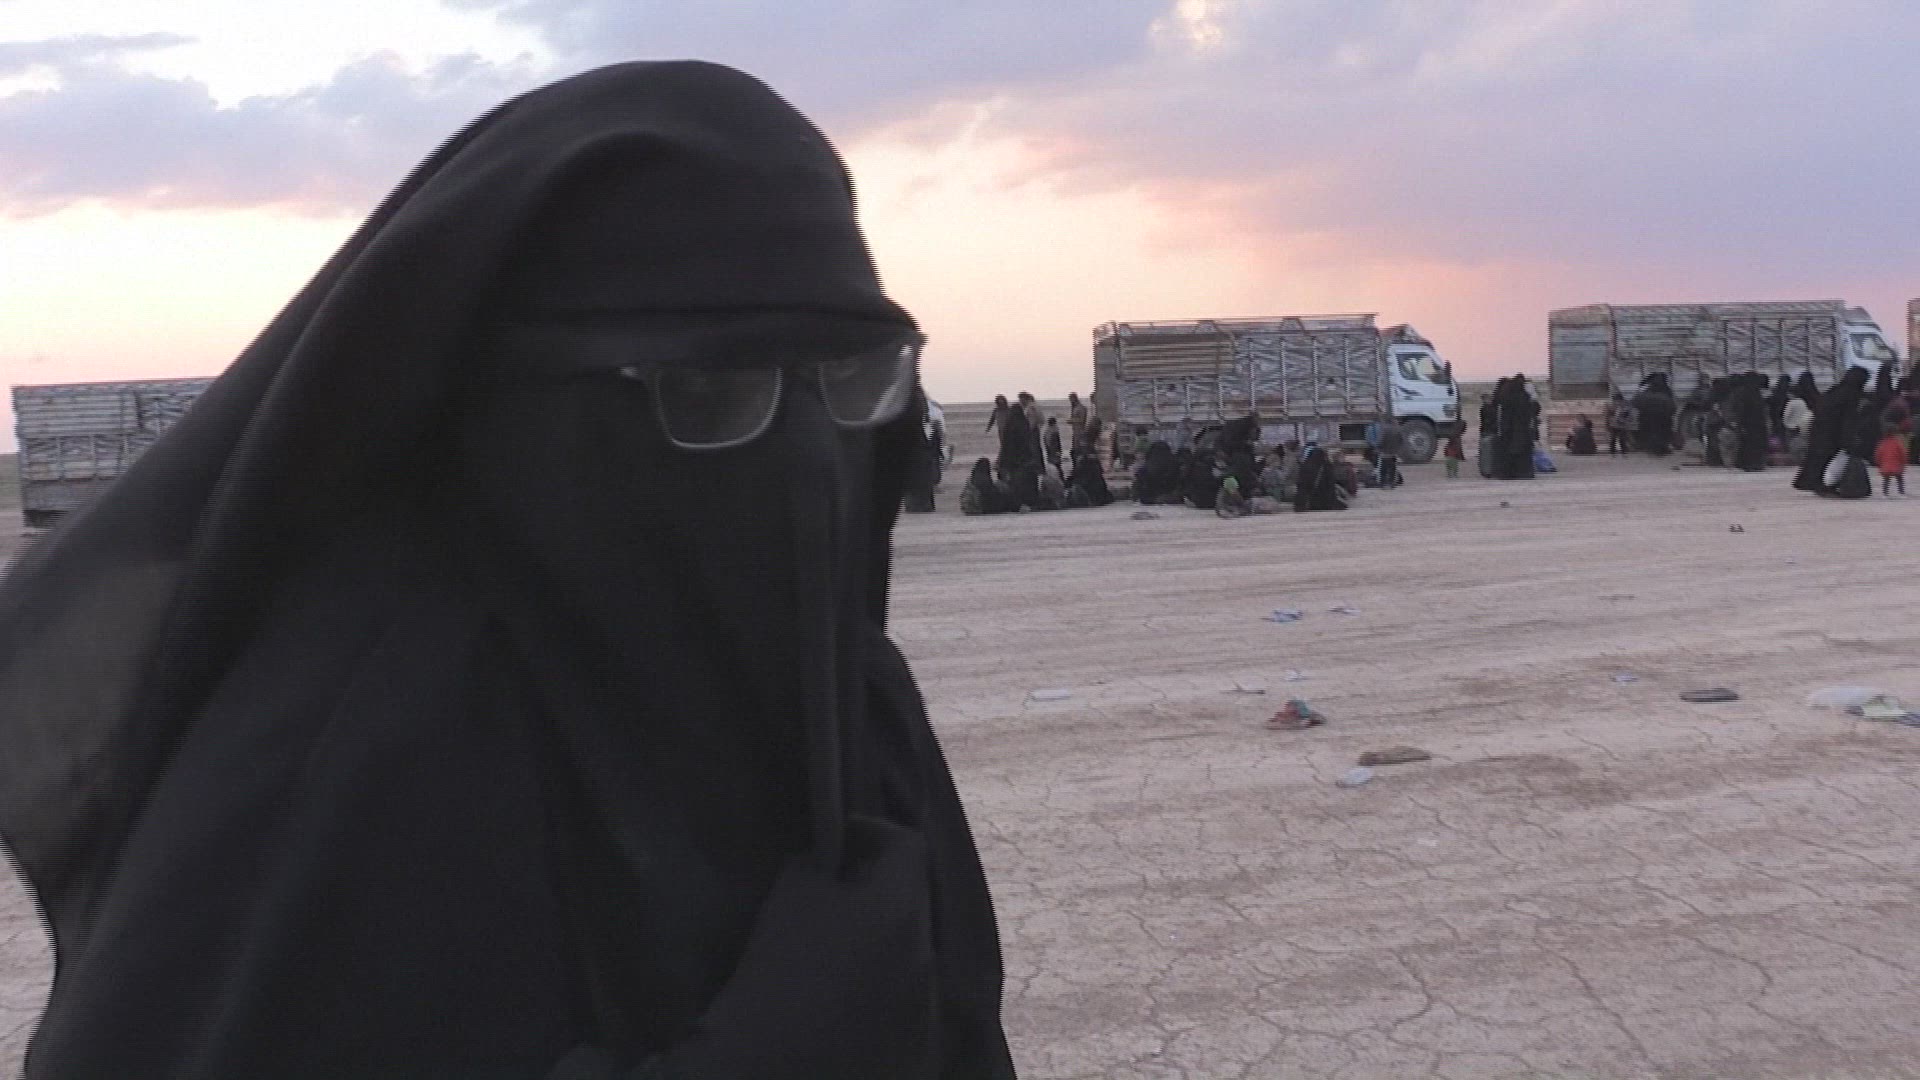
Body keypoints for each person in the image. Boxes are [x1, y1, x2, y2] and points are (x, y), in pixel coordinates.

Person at [0, 62, 1015, 1079]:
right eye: (710, 388)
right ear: (523, 413)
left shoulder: (851, 701)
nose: (804, 456)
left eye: (850, 378)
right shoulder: (343, 764)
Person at [1795, 366, 1870, 495]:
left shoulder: (1835, 391)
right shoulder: (1851, 394)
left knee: (1819, 460)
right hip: (1833, 433)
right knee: (1830, 460)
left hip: (1820, 430)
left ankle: (1815, 483)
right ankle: (1825, 485)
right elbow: (1848, 418)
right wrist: (1848, 439)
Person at [1728, 372, 1770, 472]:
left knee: (1747, 443)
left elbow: (1740, 409)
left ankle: (1747, 463)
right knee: (1756, 443)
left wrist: (1740, 423)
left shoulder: (1742, 392)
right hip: (1758, 423)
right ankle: (1756, 463)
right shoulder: (1757, 393)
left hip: (1747, 423)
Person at [1633, 372, 1677, 457]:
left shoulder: (1645, 392)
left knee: (1651, 432)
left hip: (1648, 417)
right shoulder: (1666, 392)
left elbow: (1636, 404)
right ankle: (1660, 448)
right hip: (1662, 417)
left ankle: (1652, 447)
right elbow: (1672, 407)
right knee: (1661, 432)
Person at [1293, 443, 1346, 512]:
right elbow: (1331, 486)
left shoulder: (1305, 466)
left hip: (1308, 502)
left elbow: (1300, 486)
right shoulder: (1326, 466)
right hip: (1325, 501)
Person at [1132, 440, 1183, 505]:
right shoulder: (1175, 466)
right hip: (1170, 496)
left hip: (1148, 498)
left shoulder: (1144, 469)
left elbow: (1136, 491)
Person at [1782, 388, 1814, 465]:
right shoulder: (1802, 401)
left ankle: (1793, 458)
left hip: (1791, 425)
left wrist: (1785, 423)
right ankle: (1801, 457)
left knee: (1791, 442)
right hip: (1800, 425)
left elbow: (1786, 415)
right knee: (1800, 442)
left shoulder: (1791, 403)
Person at [1877, 429, 1908, 496]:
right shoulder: (1897, 442)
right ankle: (1901, 492)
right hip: (1896, 465)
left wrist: (1879, 462)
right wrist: (1903, 462)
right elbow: (1902, 453)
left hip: (1886, 465)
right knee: (1899, 478)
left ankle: (1885, 492)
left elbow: (1879, 454)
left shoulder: (1883, 443)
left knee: (1886, 479)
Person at [1375, 420, 1406, 487]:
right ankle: (1391, 482)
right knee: (1392, 468)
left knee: (1383, 469)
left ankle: (1382, 483)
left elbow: (1380, 441)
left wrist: (1378, 449)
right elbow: (1402, 440)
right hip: (1393, 454)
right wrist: (1398, 450)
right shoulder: (1398, 429)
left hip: (1384, 453)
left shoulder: (1384, 429)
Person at [1768, 374, 1794, 444]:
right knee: (1781, 434)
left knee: (1775, 433)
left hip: (1775, 417)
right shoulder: (1785, 393)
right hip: (1781, 417)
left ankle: (1774, 445)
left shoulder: (1775, 392)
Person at [1043, 416, 1065, 482]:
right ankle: (1062, 481)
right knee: (1058, 468)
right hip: (1055, 453)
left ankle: (1052, 480)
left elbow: (1046, 443)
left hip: (1050, 453)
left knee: (1052, 469)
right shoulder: (1054, 431)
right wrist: (1059, 453)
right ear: (1054, 423)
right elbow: (1056, 444)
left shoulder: (1046, 432)